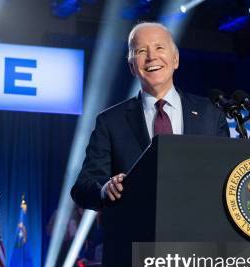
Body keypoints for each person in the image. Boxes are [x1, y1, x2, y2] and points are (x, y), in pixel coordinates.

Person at [71, 22, 229, 210]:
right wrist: (105, 189)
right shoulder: (110, 122)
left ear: (176, 59)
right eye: (141, 51)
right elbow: (83, 186)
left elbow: (226, 175)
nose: (152, 57)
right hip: (137, 233)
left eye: (159, 47)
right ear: (131, 66)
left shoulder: (210, 113)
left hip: (199, 232)